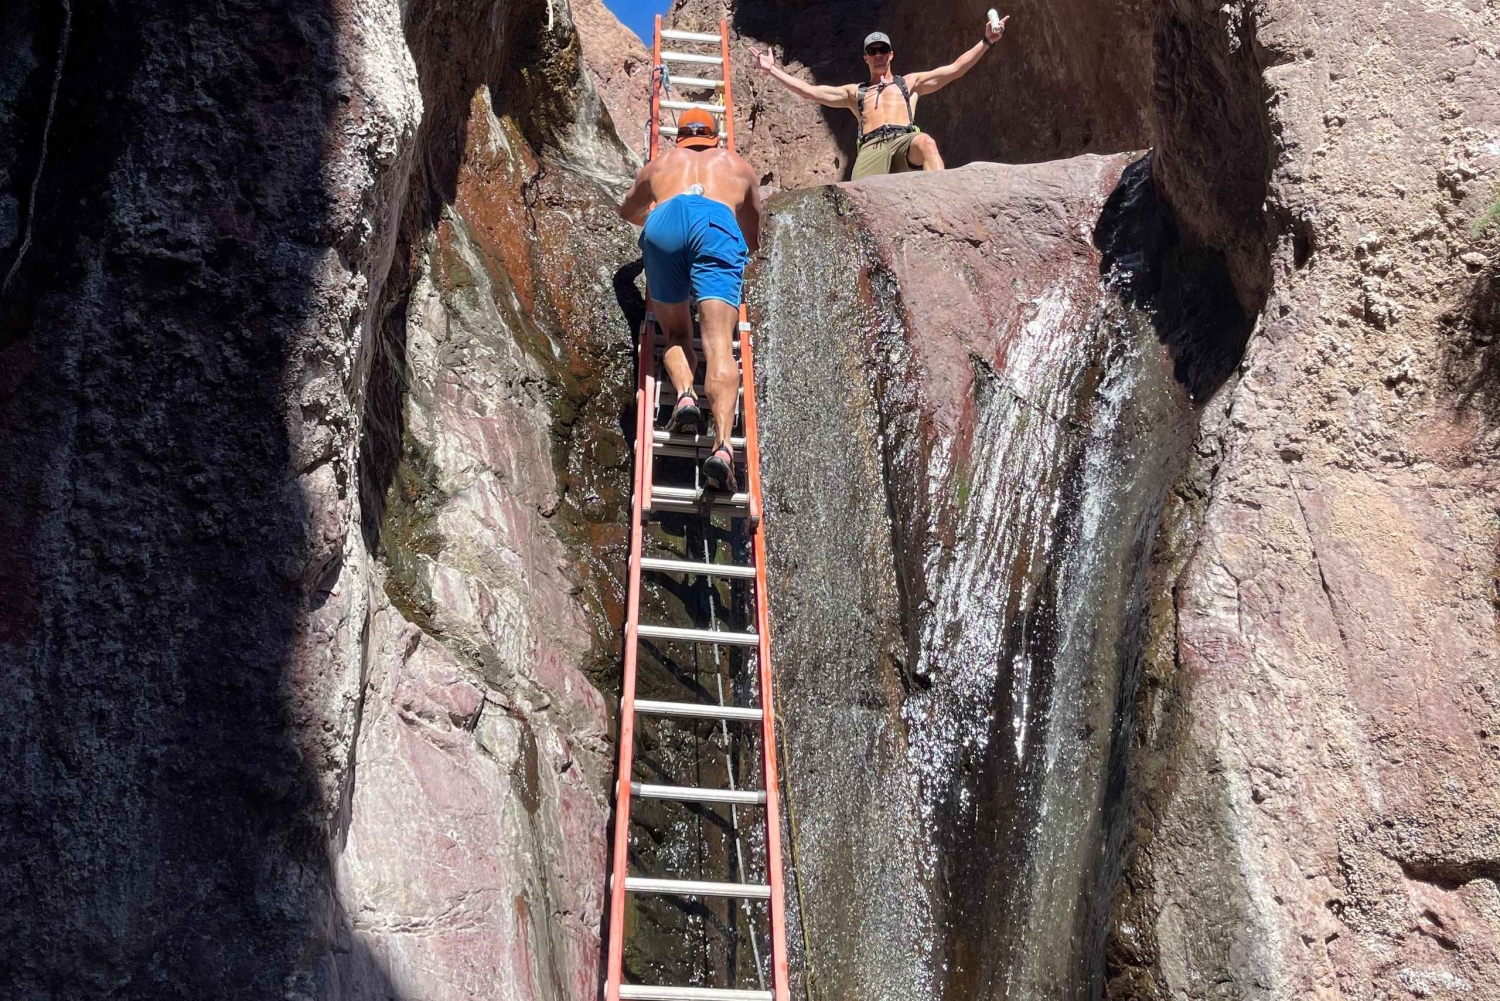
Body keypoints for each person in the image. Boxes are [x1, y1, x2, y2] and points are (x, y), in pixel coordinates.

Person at [618, 108, 763, 492]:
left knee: (677, 334)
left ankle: (684, 397)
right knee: (719, 347)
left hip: (664, 221)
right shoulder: (736, 165)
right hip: (717, 223)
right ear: (714, 138)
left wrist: (660, 217)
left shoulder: (660, 163)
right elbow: (751, 231)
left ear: (679, 138)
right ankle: (722, 450)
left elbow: (627, 210)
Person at [749, 15, 1008, 181]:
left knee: (927, 143)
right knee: (860, 200)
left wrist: (986, 41)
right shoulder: (856, 93)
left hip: (904, 140)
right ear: (865, 57)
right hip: (872, 147)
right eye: (872, 51)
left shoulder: (910, 83)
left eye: (883, 50)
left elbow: (954, 69)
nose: (878, 55)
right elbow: (811, 92)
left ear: (891, 54)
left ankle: (938, 199)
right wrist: (772, 70)